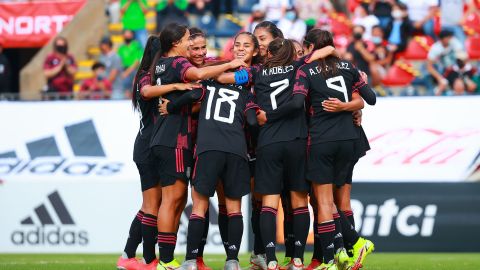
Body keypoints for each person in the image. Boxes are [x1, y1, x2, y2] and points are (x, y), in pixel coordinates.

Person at [256, 29, 369, 270]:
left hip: (318, 139)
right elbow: (363, 96)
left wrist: (348, 107)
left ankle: (342, 251)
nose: (300, 56)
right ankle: (332, 254)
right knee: (324, 201)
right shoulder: (305, 68)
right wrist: (351, 105)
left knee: (330, 201)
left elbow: (359, 99)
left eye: (302, 51)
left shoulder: (289, 71)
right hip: (321, 139)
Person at [149, 23, 247, 270]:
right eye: (194, 48)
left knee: (214, 203)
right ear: (183, 47)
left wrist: (228, 75)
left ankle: (211, 258)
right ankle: (187, 258)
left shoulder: (212, 64)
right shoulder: (183, 68)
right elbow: (195, 94)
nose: (201, 52)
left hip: (207, 143)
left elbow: (240, 77)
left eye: (204, 47)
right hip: (189, 143)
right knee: (185, 201)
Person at [159, 72, 259, 270]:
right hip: (236, 151)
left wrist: (170, 106)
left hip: (207, 150)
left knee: (198, 208)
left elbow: (191, 96)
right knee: (234, 210)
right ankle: (232, 261)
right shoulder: (247, 94)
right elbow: (253, 122)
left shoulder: (207, 86)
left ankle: (190, 261)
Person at [427, 29, 463, 95]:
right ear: (442, 39)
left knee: (459, 85)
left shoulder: (454, 42)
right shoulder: (435, 48)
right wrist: (439, 78)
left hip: (454, 70)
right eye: (448, 37)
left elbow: (462, 57)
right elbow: (429, 67)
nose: (450, 39)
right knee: (441, 86)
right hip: (441, 71)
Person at [118, 29, 143, 99]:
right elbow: (120, 61)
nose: (127, 36)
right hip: (124, 69)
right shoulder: (121, 48)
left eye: (129, 34)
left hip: (135, 70)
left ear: (132, 35)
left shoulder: (137, 46)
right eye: (125, 34)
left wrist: (126, 72)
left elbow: (137, 61)